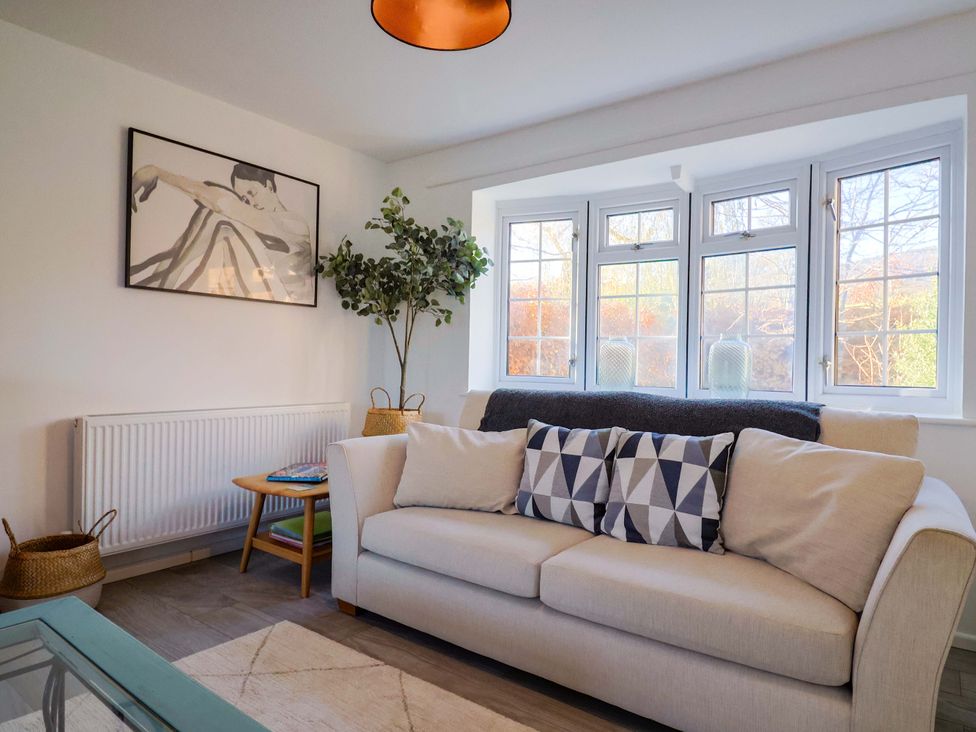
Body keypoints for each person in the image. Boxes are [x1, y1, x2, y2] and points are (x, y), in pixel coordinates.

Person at [129, 162, 312, 302]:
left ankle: (160, 286)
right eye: (245, 199)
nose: (251, 203)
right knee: (217, 216)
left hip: (288, 304)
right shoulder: (256, 227)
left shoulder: (295, 223)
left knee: (222, 218)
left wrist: (158, 173)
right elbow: (220, 202)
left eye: (252, 193)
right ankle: (161, 287)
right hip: (264, 298)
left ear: (269, 186)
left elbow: (226, 204)